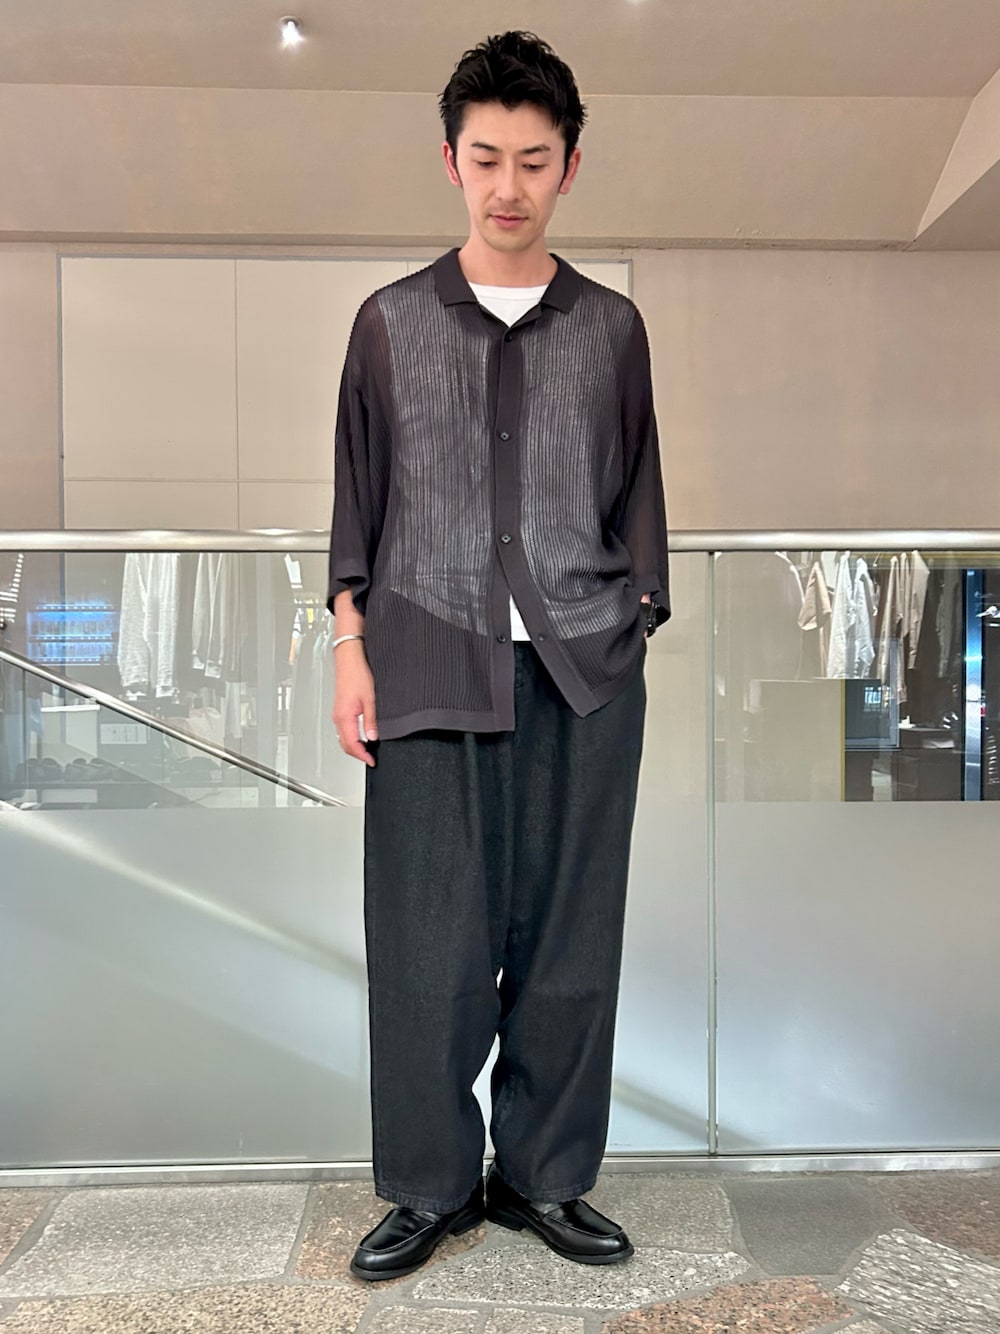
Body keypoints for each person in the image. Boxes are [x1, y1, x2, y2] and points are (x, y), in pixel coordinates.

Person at [327, 30, 670, 1282]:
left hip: (582, 672)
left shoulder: (612, 328)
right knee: (427, 944)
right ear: (450, 161)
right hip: (427, 660)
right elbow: (357, 493)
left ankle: (543, 1176)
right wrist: (349, 643)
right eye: (485, 158)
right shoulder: (388, 323)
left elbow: (637, 492)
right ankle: (428, 1185)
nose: (508, 185)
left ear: (569, 167)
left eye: (533, 160)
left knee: (572, 942)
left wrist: (631, 623)